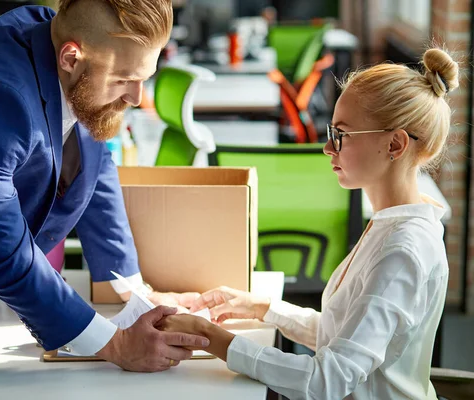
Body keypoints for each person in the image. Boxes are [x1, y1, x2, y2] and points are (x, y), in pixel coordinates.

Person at [0, 0, 209, 372]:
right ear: (71, 57)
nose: (136, 97)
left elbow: (94, 164)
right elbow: (4, 253)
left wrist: (132, 292)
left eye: (144, 77)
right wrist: (116, 344)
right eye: (123, 80)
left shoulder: (62, 49)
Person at [157, 47, 457, 398]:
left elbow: (327, 380)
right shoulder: (391, 224)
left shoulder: (403, 249)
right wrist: (264, 308)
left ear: (394, 143)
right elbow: (347, 338)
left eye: (341, 136)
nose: (328, 148)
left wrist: (214, 339)